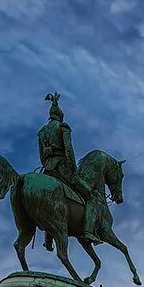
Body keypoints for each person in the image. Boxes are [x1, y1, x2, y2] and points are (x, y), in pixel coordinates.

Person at [38, 93, 100, 245]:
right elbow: (69, 150)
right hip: (62, 168)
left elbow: (41, 156)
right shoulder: (63, 127)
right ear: (60, 116)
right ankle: (89, 232)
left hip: (47, 169)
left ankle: (48, 240)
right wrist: (73, 170)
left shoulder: (42, 132)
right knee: (92, 196)